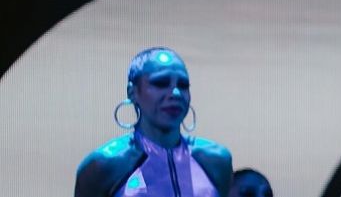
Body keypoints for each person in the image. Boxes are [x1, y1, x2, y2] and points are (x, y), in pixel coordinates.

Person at [75, 47, 233, 197]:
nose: (175, 93)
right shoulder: (104, 164)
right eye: (160, 83)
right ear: (132, 92)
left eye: (183, 85)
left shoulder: (216, 160)